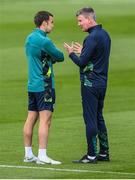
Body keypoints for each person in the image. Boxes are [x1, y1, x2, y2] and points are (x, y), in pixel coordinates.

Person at [64, 7, 111, 163]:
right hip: (102, 83)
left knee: (90, 119)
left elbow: (82, 62)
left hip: (90, 83)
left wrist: (71, 53)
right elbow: (97, 57)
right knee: (99, 117)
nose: (79, 24)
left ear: (89, 19)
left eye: (80, 20)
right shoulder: (105, 35)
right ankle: (104, 152)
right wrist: (85, 51)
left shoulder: (91, 38)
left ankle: (91, 155)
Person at [23, 11, 64, 165]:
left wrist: (48, 57)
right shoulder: (44, 41)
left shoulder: (29, 38)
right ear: (44, 23)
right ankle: (42, 155)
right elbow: (60, 56)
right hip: (44, 85)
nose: (52, 25)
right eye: (51, 22)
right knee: (45, 120)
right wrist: (52, 58)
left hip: (32, 85)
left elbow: (40, 56)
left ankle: (28, 154)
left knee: (30, 118)